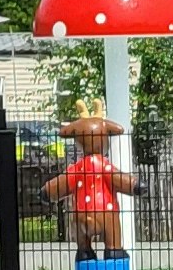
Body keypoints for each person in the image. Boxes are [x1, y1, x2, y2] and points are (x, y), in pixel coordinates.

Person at [43, 100, 137, 259]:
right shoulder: (104, 166)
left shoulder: (77, 169)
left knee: (83, 243)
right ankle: (113, 250)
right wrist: (135, 185)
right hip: (106, 211)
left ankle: (84, 250)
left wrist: (47, 191)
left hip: (81, 211)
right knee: (113, 237)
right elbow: (120, 179)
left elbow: (62, 182)